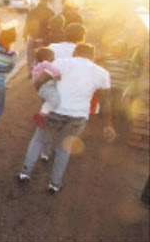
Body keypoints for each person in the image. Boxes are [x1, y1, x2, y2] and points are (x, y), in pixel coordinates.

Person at [18, 44, 116, 194]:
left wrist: (45, 100)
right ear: (93, 56)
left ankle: (25, 173)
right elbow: (105, 102)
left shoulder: (62, 63)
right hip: (78, 117)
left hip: (54, 111)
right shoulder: (102, 73)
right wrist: (108, 125)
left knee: (38, 139)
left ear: (74, 53)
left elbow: (39, 81)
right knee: (64, 149)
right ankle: (54, 184)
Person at [23, 0, 55, 77]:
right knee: (40, 56)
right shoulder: (51, 12)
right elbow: (52, 26)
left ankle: (30, 72)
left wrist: (25, 35)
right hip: (42, 37)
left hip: (31, 36)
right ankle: (38, 73)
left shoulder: (32, 11)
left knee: (30, 55)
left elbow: (26, 24)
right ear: (47, 1)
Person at [31, 47, 62, 133]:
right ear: (47, 56)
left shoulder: (38, 64)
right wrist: (57, 75)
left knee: (46, 103)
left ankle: (43, 118)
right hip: (44, 85)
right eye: (52, 55)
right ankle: (41, 116)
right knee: (54, 101)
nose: (54, 57)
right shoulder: (45, 63)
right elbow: (53, 69)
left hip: (38, 86)